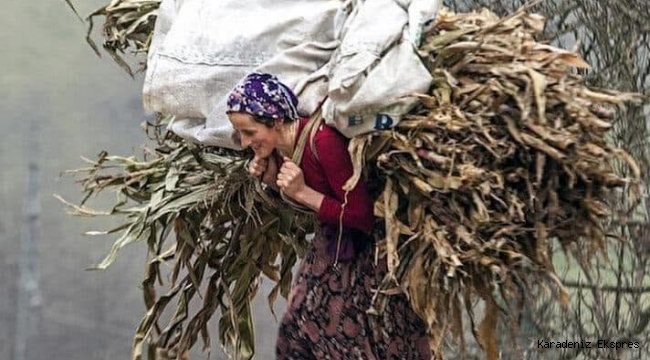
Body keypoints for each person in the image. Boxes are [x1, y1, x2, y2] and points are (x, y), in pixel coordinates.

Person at [226, 72, 432, 360]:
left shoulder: (322, 141)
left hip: (368, 254)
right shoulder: (280, 151)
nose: (245, 142)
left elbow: (361, 214)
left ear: (274, 121)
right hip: (330, 249)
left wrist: (300, 192)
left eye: (249, 132)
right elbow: (304, 217)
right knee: (297, 334)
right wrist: (273, 182)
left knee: (366, 341)